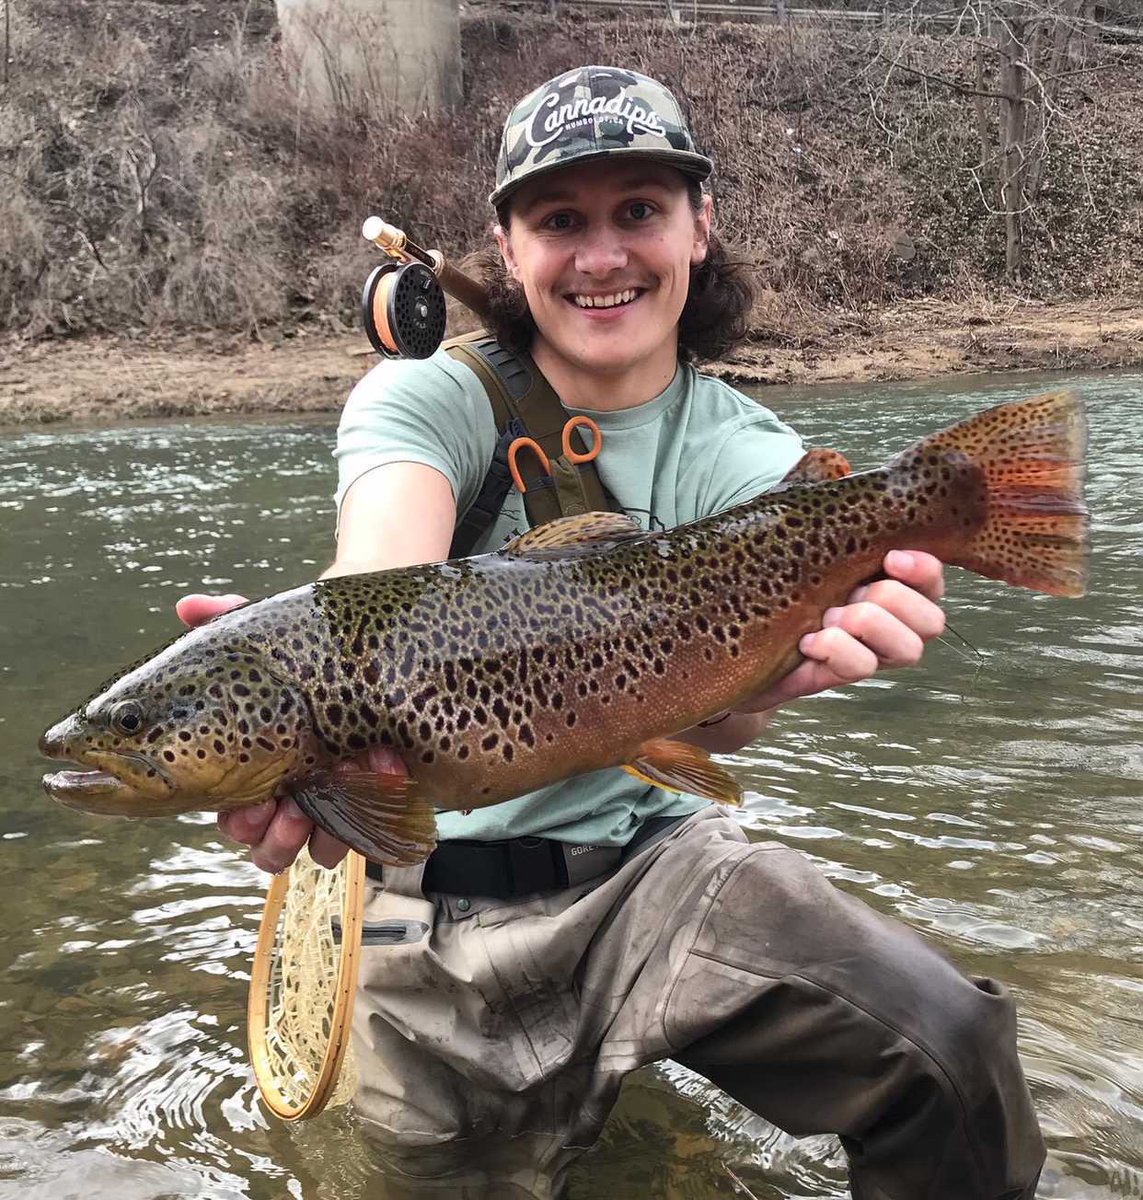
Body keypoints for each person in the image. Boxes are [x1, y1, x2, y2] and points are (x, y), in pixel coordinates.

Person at [180, 67, 1045, 1200]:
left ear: (699, 226)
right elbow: (379, 568)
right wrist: (295, 665)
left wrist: (778, 684)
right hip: (419, 905)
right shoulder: (427, 400)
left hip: (650, 869)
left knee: (949, 1052)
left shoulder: (751, 461)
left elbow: (712, 730)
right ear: (509, 244)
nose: (601, 256)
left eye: (639, 209)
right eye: (560, 220)